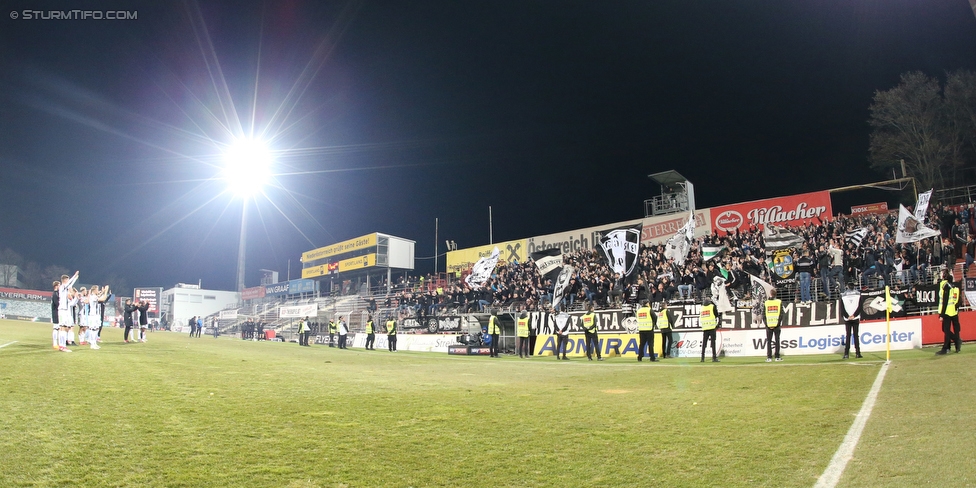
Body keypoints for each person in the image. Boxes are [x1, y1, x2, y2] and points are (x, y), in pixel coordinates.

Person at [936, 270, 961, 355]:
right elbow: (958, 299)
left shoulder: (944, 285)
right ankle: (955, 345)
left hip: (946, 310)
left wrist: (941, 314)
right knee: (955, 329)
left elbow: (944, 300)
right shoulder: (954, 285)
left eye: (941, 273)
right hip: (954, 310)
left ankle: (948, 346)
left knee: (946, 330)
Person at [56, 272, 79, 352]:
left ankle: (62, 346)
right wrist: (74, 277)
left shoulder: (66, 291)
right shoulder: (62, 287)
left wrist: (76, 298)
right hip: (62, 310)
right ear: (65, 280)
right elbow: (69, 284)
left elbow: (72, 304)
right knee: (63, 328)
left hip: (65, 310)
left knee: (65, 328)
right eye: (68, 280)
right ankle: (62, 346)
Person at [841, 290, 862, 359]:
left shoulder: (843, 296)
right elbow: (860, 306)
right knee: (855, 336)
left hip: (849, 318)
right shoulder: (858, 295)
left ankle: (847, 354)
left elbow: (842, 308)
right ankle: (857, 353)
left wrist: (848, 316)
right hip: (853, 318)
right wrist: (854, 315)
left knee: (849, 336)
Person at [763, 291, 782, 362]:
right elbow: (781, 314)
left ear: (770, 294)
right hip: (777, 324)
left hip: (768, 325)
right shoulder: (779, 302)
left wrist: (767, 324)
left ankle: (769, 357)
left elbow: (764, 315)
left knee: (769, 341)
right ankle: (777, 356)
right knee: (777, 340)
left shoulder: (766, 302)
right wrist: (777, 323)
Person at [699, 297, 720, 362]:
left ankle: (702, 358)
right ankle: (714, 357)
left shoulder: (701, 308)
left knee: (704, 344)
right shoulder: (712, 306)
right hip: (712, 327)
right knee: (713, 343)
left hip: (705, 327)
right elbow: (716, 315)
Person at [50, 281, 60, 350]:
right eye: (59, 285)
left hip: (57, 312)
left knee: (57, 328)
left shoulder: (56, 293)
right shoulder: (55, 294)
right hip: (56, 312)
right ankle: (55, 343)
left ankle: (56, 343)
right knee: (56, 328)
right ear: (56, 286)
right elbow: (57, 304)